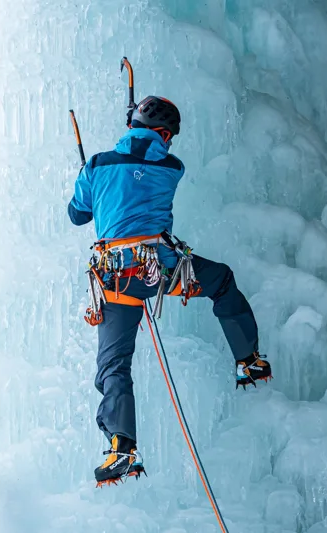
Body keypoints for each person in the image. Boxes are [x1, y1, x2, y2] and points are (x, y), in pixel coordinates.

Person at [67, 96, 273, 485]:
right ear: (163, 134)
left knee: (114, 364)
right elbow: (145, 166)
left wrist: (87, 178)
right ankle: (248, 360)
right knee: (222, 281)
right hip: (160, 271)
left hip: (115, 280)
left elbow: (78, 215)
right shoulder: (171, 167)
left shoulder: (97, 165)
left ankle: (121, 448)